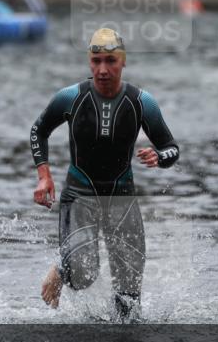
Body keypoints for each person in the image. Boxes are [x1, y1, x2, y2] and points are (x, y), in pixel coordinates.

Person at [30, 28, 179, 322]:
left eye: (110, 61)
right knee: (82, 274)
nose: (102, 69)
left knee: (129, 306)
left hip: (122, 199)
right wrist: (44, 175)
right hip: (79, 197)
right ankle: (61, 270)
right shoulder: (70, 97)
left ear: (123, 62)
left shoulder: (141, 102)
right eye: (96, 61)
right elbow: (39, 129)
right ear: (89, 62)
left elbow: (171, 148)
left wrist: (159, 158)